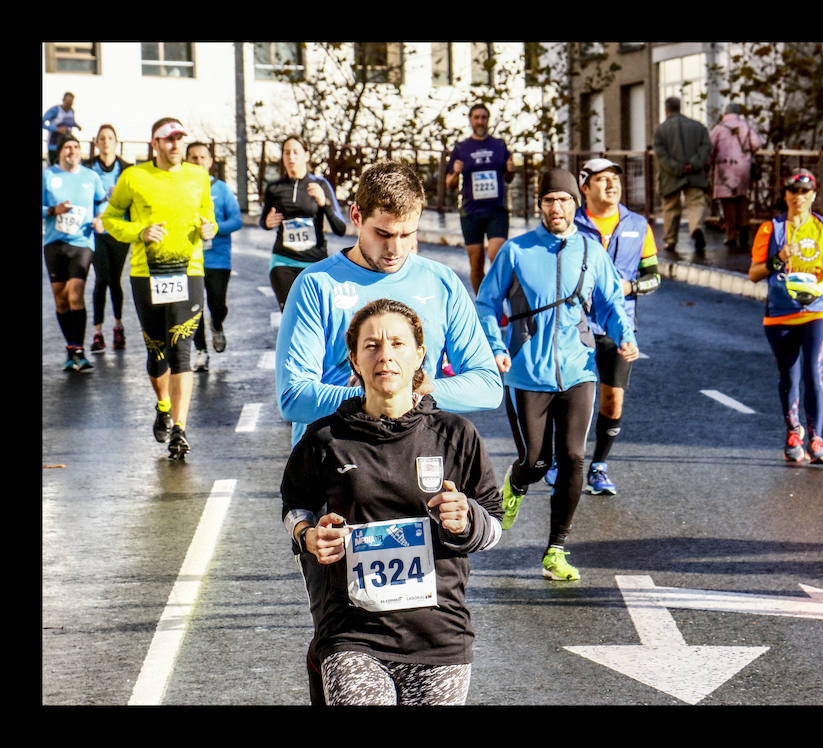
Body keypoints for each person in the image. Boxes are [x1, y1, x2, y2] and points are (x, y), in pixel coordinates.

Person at [275, 159, 503, 705]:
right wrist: (367, 402)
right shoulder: (318, 285)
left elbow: (486, 384)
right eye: (382, 233)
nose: (396, 248)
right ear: (355, 217)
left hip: (420, 485)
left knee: (425, 638)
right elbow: (294, 393)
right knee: (345, 637)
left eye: (408, 234)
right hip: (342, 487)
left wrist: (415, 399)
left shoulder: (441, 282)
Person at [475, 167, 638, 582]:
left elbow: (610, 305)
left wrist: (625, 336)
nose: (556, 207)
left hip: (579, 369)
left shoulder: (591, 251)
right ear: (540, 205)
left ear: (574, 204)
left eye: (563, 199)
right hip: (527, 372)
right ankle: (515, 483)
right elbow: (486, 304)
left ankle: (556, 550)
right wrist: (496, 348)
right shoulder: (516, 251)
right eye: (549, 200)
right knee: (535, 460)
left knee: (573, 457)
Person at [102, 117, 217, 460]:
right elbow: (111, 219)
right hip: (147, 273)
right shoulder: (133, 178)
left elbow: (206, 214)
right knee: (157, 352)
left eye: (180, 139)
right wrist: (140, 231)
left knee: (182, 350)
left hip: (189, 271)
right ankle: (163, 405)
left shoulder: (198, 176)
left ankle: (180, 429)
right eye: (168, 140)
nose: (176, 145)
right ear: (154, 143)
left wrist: (208, 228)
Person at [554, 157, 661, 496]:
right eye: (601, 180)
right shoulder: (571, 225)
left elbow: (654, 276)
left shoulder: (638, 225)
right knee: (569, 398)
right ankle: (561, 459)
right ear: (584, 188)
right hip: (574, 326)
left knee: (612, 402)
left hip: (618, 328)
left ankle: (599, 465)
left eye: (615, 178)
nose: (611, 185)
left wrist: (630, 287)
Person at [748, 168, 823, 466]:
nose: (799, 197)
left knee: (813, 372)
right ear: (785, 196)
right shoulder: (772, 229)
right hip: (781, 312)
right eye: (793, 191)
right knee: (789, 377)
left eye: (805, 192)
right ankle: (794, 434)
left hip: (819, 308)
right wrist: (778, 258)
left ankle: (817, 438)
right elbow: (754, 273)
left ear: (813, 195)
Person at [43, 133, 107, 372]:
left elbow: (102, 200)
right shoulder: (49, 176)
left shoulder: (90, 177)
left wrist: (99, 217)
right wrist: (52, 210)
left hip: (82, 241)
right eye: (67, 147)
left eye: (76, 146)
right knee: (60, 299)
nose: (72, 150)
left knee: (75, 294)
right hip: (54, 243)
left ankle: (79, 349)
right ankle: (70, 348)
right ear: (60, 152)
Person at [260, 136, 346, 310]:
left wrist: (324, 203)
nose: (291, 157)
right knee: (291, 312)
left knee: (317, 314)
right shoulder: (274, 188)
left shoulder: (320, 184)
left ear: (306, 155)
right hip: (283, 261)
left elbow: (340, 229)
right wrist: (267, 223)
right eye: (286, 153)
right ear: (282, 157)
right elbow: (263, 220)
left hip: (315, 262)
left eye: (295, 152)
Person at [444, 103, 515, 293]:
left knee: (496, 256)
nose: (480, 121)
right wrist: (456, 173)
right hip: (471, 212)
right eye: (476, 117)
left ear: (488, 120)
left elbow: (508, 178)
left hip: (496, 210)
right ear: (470, 120)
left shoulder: (499, 145)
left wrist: (510, 170)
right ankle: (483, 304)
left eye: (483, 117)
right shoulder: (461, 148)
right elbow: (449, 183)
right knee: (476, 264)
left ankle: (498, 301)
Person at [185, 142, 243, 373]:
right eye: (193, 157)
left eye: (202, 157)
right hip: (191, 259)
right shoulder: (182, 188)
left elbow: (236, 220)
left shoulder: (222, 189)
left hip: (218, 258)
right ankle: (201, 352)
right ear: (186, 161)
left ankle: (217, 323)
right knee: (193, 308)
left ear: (210, 162)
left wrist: (214, 228)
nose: (198, 162)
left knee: (217, 304)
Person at [85, 124, 132, 353]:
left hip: (119, 231)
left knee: (115, 279)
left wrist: (120, 197)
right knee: (101, 278)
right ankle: (97, 332)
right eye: (102, 138)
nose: (105, 142)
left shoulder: (127, 169)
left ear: (116, 142)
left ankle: (118, 326)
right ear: (97, 143)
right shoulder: (87, 168)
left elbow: (135, 199)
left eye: (110, 138)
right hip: (95, 231)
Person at [653, 96, 711, 255]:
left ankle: (670, 240)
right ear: (680, 108)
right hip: (695, 173)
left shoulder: (661, 130)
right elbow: (706, 147)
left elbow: (661, 154)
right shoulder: (699, 127)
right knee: (696, 203)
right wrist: (693, 164)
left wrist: (677, 167)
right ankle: (696, 228)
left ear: (666, 110)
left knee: (671, 207)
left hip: (671, 176)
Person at [709, 103, 763, 251]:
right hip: (743, 167)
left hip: (724, 168)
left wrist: (709, 162)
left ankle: (732, 234)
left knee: (727, 201)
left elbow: (709, 148)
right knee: (742, 198)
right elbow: (757, 143)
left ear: (725, 113)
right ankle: (744, 224)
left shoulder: (719, 128)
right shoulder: (746, 126)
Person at [42, 92, 81, 165]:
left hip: (66, 144)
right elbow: (43, 123)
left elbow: (71, 122)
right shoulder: (55, 110)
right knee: (53, 165)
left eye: (71, 103)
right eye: (67, 103)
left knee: (66, 165)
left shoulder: (71, 111)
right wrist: (57, 129)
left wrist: (76, 125)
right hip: (54, 144)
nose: (69, 106)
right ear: (63, 100)